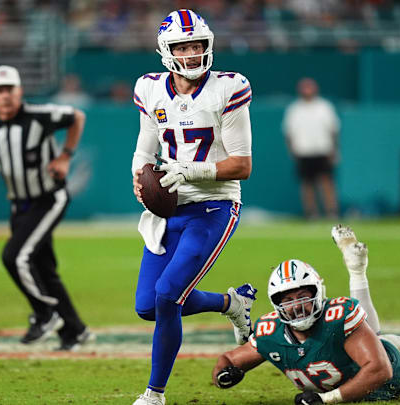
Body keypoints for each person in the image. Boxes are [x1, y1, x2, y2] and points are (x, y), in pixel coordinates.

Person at [212, 217, 400, 403]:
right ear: (276, 305)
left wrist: (327, 399)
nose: (297, 307)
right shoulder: (269, 333)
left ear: (317, 293)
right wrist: (226, 372)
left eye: (302, 297)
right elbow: (228, 359)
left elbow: (380, 370)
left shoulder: (338, 315)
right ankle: (357, 270)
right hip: (365, 353)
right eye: (287, 301)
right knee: (367, 334)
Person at [130, 9, 255, 405]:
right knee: (148, 306)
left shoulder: (228, 88)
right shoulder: (151, 89)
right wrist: (139, 176)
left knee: (168, 295)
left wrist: (189, 170)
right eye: (183, 46)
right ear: (167, 51)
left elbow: (242, 165)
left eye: (197, 44)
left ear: (209, 45)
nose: (192, 53)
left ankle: (155, 393)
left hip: (214, 207)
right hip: (171, 208)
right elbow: (145, 146)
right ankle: (231, 303)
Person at [0, 65, 92, 351]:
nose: (5, 96)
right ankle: (75, 330)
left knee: (14, 256)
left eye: (10, 89)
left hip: (49, 198)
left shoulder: (40, 115)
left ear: (20, 91)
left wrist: (65, 156)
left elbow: (77, 116)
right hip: (19, 203)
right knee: (44, 270)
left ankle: (45, 312)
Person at [283, 78, 341, 219]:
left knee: (326, 182)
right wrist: (292, 151)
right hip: (303, 152)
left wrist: (334, 150)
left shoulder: (325, 107)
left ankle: (331, 212)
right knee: (307, 184)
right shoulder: (294, 109)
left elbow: (333, 130)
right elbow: (288, 133)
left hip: (322, 150)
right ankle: (311, 213)